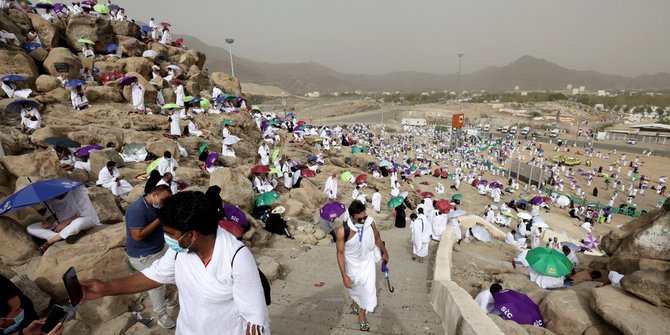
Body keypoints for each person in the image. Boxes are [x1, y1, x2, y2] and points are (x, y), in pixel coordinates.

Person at [81, 191, 270, 335]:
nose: (167, 239)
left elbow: (255, 320)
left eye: (170, 234)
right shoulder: (180, 251)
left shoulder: (236, 259)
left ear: (192, 235)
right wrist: (105, 288)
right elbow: (152, 276)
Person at [124, 185, 177, 329]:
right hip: (143, 254)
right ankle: (161, 314)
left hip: (159, 247)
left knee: (175, 265)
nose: (165, 203)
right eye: (164, 199)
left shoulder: (157, 205)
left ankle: (165, 299)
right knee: (155, 284)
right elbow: (137, 235)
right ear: (154, 194)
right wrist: (159, 219)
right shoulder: (136, 209)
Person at [335, 201, 388, 332]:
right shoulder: (343, 231)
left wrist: (385, 252)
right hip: (352, 264)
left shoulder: (370, 222)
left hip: (367, 262)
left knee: (368, 289)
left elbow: (377, 238)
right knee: (355, 286)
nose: (364, 219)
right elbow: (340, 253)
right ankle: (355, 301)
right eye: (360, 218)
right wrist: (344, 276)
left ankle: (362, 314)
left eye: (365, 216)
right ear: (352, 216)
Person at [26, 185, 101, 251]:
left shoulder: (77, 191)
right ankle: (63, 236)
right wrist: (49, 222)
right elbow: (53, 213)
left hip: (81, 219)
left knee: (79, 223)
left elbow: (85, 212)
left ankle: (50, 241)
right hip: (60, 222)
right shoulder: (50, 196)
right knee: (31, 228)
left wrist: (66, 222)